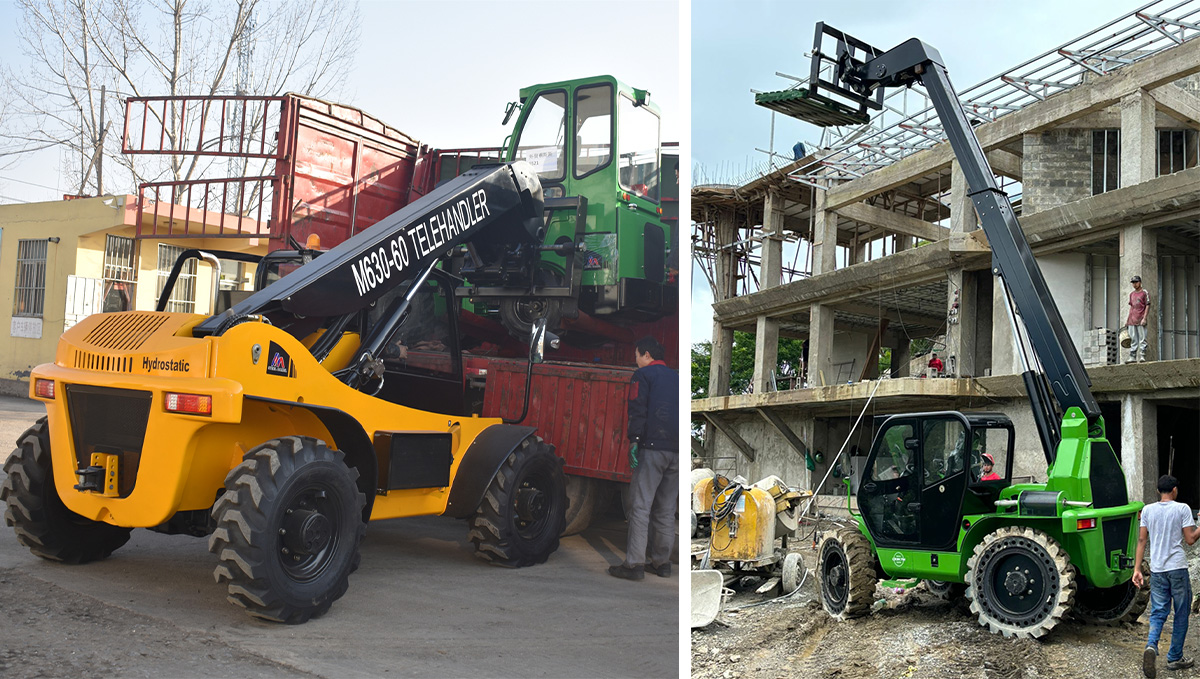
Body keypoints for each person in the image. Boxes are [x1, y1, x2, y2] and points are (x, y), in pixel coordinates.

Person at [609, 336, 678, 581]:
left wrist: (635, 441)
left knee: (640, 507)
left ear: (646, 355)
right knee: (667, 510)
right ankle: (662, 563)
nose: (635, 360)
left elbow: (638, 409)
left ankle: (634, 565)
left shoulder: (642, 376)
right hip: (677, 452)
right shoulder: (677, 377)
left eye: (636, 355)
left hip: (651, 448)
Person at [1134, 475, 1200, 677]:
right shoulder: (1182, 509)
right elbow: (1190, 540)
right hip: (1177, 568)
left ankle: (1151, 646)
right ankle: (1174, 658)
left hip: (1158, 569)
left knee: (1158, 612)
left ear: (1158, 491)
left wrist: (1137, 569)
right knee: (1180, 613)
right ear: (1174, 490)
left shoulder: (1147, 510)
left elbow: (1142, 540)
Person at [1127, 275, 1151, 363]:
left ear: (1140, 282)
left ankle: (1142, 355)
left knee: (1142, 338)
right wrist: (1128, 320)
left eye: (1136, 282)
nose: (1134, 284)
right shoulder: (1132, 294)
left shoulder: (1144, 293)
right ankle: (1132, 357)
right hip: (1132, 319)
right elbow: (1131, 307)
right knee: (1133, 339)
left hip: (1140, 319)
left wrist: (1144, 318)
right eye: (1133, 283)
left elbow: (1147, 305)